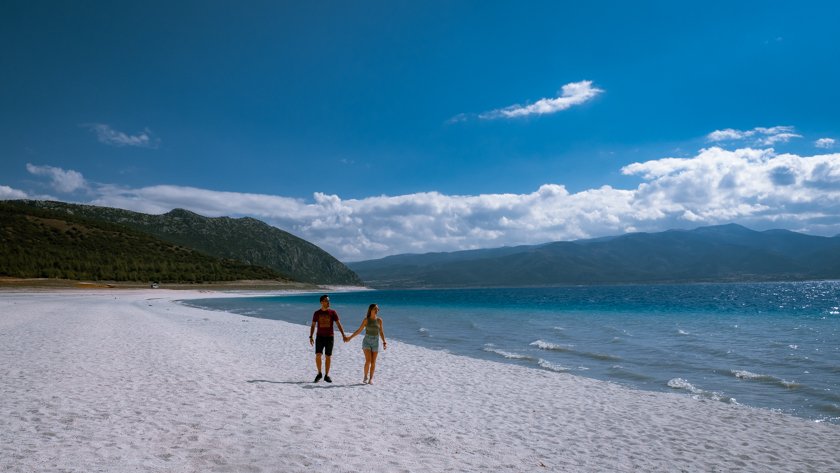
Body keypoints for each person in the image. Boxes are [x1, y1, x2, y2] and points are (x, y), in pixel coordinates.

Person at [309, 294, 347, 383]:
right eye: (326, 300)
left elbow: (338, 324)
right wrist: (311, 336)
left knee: (328, 356)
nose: (328, 302)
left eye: (328, 300)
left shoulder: (333, 312)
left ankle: (326, 375)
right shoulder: (317, 313)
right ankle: (319, 373)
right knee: (318, 355)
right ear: (321, 302)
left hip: (330, 337)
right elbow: (313, 325)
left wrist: (343, 335)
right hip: (319, 337)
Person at [347, 303, 387, 384]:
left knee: (373, 362)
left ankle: (371, 379)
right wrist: (350, 337)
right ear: (371, 310)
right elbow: (359, 330)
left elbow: (381, 332)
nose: (376, 310)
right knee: (368, 361)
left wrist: (384, 342)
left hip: (376, 341)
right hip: (367, 341)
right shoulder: (366, 320)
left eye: (377, 309)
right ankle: (365, 376)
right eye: (375, 309)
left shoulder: (379, 320)